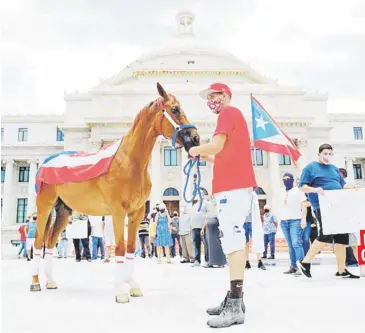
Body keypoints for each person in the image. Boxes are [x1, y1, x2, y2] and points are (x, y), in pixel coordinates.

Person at [189, 82, 256, 328]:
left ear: (225, 95)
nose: (211, 100)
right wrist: (198, 154)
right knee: (232, 239)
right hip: (233, 186)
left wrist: (195, 148)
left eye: (213, 95)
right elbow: (219, 154)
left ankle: (236, 305)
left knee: (233, 240)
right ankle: (234, 297)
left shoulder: (228, 113)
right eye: (208, 97)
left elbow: (216, 146)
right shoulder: (233, 116)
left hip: (233, 187)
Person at [297, 144, 359, 278]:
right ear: (319, 154)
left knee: (342, 236)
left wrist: (353, 188)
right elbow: (302, 186)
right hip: (323, 206)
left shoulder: (334, 169)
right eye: (325, 153)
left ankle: (341, 270)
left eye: (330, 154)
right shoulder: (310, 167)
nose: (328, 156)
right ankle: (305, 262)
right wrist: (315, 190)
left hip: (339, 206)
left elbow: (343, 185)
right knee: (326, 234)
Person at [278, 172, 307, 274]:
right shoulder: (281, 192)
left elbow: (304, 204)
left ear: (292, 179)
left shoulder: (298, 191)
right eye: (284, 179)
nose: (286, 181)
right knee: (290, 245)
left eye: (288, 179)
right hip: (284, 221)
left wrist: (303, 219)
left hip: (295, 220)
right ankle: (293, 266)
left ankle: (302, 267)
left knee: (296, 243)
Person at [201, 196, 226, 268]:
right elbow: (206, 219)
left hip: (216, 229)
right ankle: (210, 262)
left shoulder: (219, 209)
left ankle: (220, 262)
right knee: (209, 245)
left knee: (218, 244)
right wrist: (203, 228)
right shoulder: (209, 211)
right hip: (209, 230)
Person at [190, 199, 207, 267]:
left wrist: (203, 226)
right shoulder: (194, 206)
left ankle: (207, 260)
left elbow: (207, 214)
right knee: (196, 245)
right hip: (194, 227)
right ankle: (197, 260)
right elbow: (191, 217)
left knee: (206, 244)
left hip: (202, 227)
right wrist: (191, 227)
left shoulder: (205, 203)